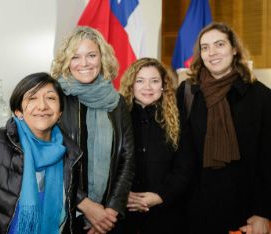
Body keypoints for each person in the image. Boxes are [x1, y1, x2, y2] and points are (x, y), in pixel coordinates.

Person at [0, 72, 82, 234]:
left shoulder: (70, 154)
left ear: (59, 112)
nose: (42, 106)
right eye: (32, 98)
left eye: (50, 98)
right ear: (18, 111)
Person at [177, 22, 271, 234]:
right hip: (193, 211)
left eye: (219, 44)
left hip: (244, 213)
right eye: (205, 47)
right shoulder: (187, 92)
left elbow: (268, 159)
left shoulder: (261, 96)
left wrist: (262, 212)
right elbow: (178, 153)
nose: (212, 53)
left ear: (234, 48)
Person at [51, 26, 135, 234]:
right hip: (66, 214)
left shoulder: (117, 102)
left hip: (109, 217)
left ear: (102, 58)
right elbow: (50, 158)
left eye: (91, 55)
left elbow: (127, 157)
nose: (84, 63)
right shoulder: (54, 98)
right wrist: (86, 205)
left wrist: (111, 211)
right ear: (66, 61)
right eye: (75, 57)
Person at [115, 58, 194, 234]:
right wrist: (122, 195)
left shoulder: (178, 118)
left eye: (154, 81)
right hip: (124, 212)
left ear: (163, 85)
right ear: (131, 85)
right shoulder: (117, 117)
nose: (147, 87)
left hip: (167, 213)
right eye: (140, 81)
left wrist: (160, 196)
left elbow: (185, 167)